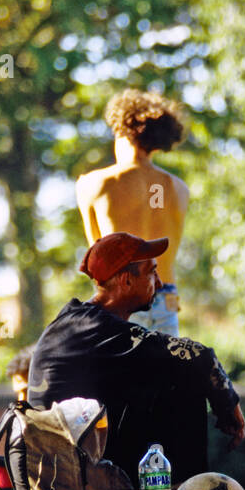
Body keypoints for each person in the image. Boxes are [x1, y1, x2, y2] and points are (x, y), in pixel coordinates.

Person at [26, 232, 245, 486]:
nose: (160, 284)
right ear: (127, 281)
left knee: (167, 375)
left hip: (68, 462)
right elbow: (198, 355)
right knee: (185, 384)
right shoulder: (97, 327)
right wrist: (230, 408)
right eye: (152, 272)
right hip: (69, 474)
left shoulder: (80, 320)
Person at [75, 89, 189, 336]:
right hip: (166, 297)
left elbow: (97, 258)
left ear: (122, 132)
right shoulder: (178, 188)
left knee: (122, 375)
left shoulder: (95, 184)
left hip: (122, 300)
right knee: (165, 374)